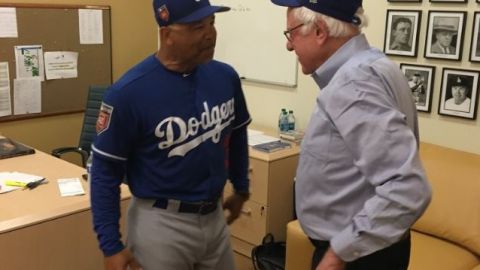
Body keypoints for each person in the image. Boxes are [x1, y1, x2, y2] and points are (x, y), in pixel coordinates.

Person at [90, 1, 252, 270]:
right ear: (167, 35)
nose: (210, 34)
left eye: (212, 23)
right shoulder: (128, 93)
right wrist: (110, 245)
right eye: (198, 27)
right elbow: (105, 171)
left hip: (214, 217)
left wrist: (241, 186)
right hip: (160, 224)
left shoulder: (225, 77)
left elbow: (236, 133)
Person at [271, 0, 432, 269]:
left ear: (320, 31)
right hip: (370, 248)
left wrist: (340, 252)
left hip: (359, 257)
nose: (289, 45)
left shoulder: (355, 83)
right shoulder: (376, 64)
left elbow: (407, 187)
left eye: (292, 33)